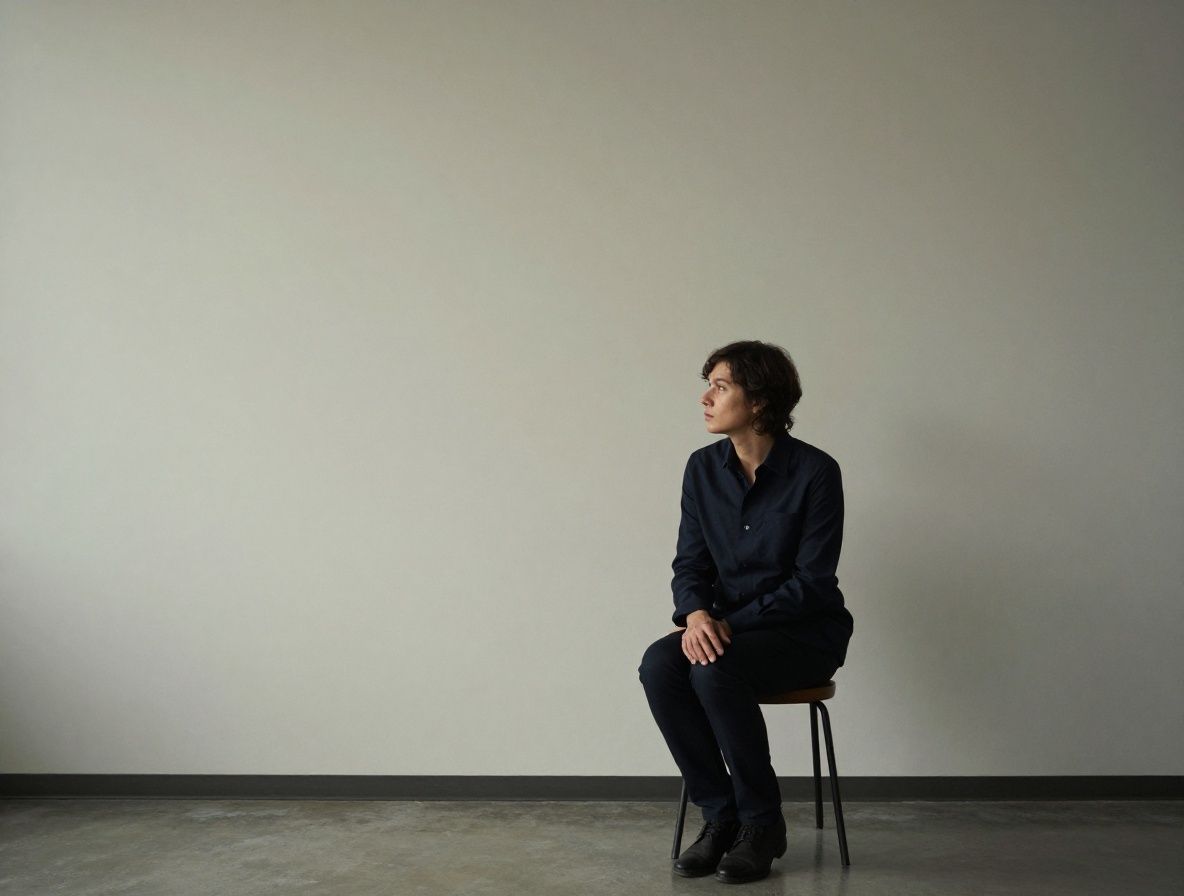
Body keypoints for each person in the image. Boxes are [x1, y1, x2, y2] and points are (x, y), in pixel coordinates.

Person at [638, 340, 853, 884]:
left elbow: (812, 583)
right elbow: (689, 564)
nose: (705, 397)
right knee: (659, 665)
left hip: (803, 633)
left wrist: (725, 624)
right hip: (726, 630)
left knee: (714, 668)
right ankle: (722, 816)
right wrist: (695, 616)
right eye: (708, 383)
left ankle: (762, 824)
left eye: (720, 385)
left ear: (757, 401)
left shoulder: (816, 472)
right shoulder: (702, 470)